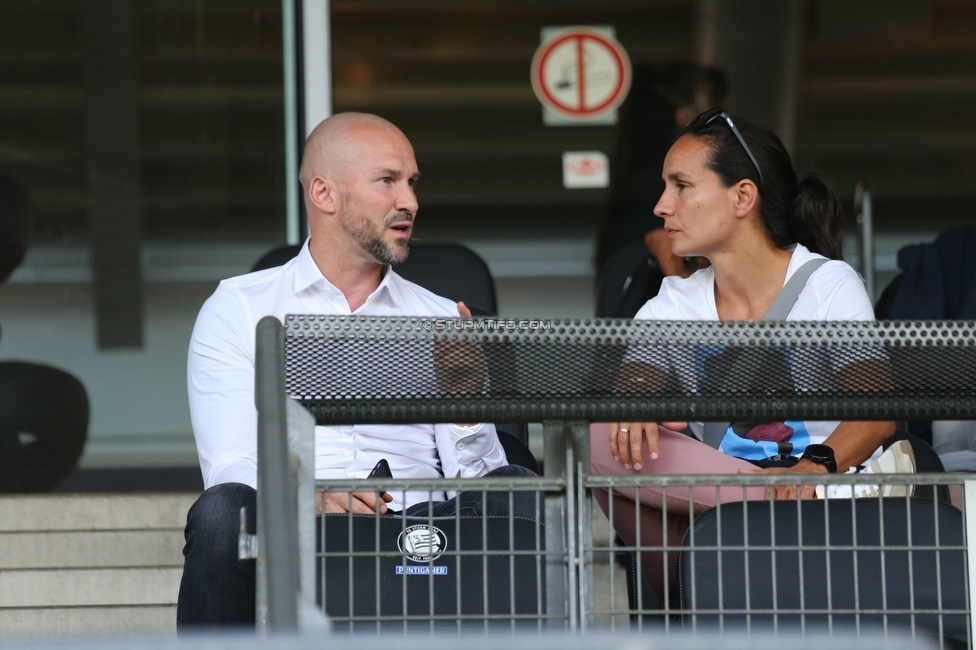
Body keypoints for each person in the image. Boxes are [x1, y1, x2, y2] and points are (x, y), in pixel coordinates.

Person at [177, 112, 537, 628]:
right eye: (387, 180)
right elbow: (230, 466)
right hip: (292, 527)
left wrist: (466, 406)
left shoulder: (439, 316)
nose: (409, 201)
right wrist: (314, 494)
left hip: (423, 532)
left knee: (516, 486)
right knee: (219, 514)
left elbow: (481, 487)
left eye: (412, 183)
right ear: (324, 194)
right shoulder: (239, 307)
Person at [589, 109, 913, 603]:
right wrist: (634, 404)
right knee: (600, 441)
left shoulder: (828, 285)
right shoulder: (674, 301)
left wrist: (812, 468)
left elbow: (876, 413)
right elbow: (637, 377)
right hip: (720, 523)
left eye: (681, 186)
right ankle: (744, 528)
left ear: (742, 196)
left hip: (823, 505)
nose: (660, 206)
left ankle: (698, 600)